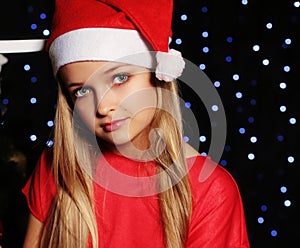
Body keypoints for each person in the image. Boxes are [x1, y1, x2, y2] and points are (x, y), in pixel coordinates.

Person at [22, 0, 250, 247]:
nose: (103, 107)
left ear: (158, 75)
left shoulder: (210, 190)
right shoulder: (57, 168)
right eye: (82, 91)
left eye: (120, 78)